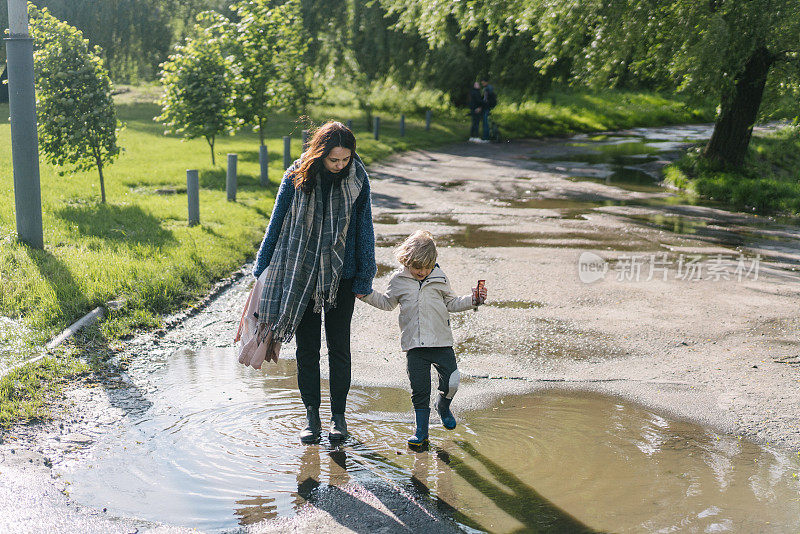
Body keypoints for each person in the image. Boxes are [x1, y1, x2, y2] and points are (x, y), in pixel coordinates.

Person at [253, 121, 376, 444]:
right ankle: (312, 416)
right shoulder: (297, 177)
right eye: (333, 160)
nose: (339, 166)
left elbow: (364, 229)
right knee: (308, 349)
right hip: (302, 275)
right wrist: (261, 271)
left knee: (340, 348)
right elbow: (276, 222)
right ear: (320, 154)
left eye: (345, 160)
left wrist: (365, 275)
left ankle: (339, 418)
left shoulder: (358, 179)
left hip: (342, 276)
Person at [358, 230, 487, 448]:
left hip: (441, 342)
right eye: (418, 267)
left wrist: (473, 299)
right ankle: (421, 433)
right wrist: (367, 295)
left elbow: (452, 303)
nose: (423, 271)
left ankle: (443, 405)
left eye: (427, 267)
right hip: (414, 345)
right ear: (406, 261)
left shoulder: (439, 277)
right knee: (420, 389)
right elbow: (388, 303)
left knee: (452, 381)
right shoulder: (398, 280)